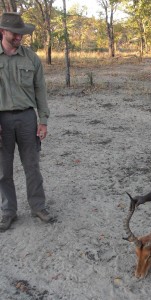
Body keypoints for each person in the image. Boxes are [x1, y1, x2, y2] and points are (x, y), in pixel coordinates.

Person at [0, 12, 55, 231]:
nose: (19, 37)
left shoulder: (31, 58)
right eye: (15, 33)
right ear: (2, 31)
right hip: (1, 120)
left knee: (32, 166)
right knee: (3, 170)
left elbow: (40, 89)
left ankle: (38, 206)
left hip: (26, 118)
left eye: (21, 33)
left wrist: (43, 120)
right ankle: (8, 211)